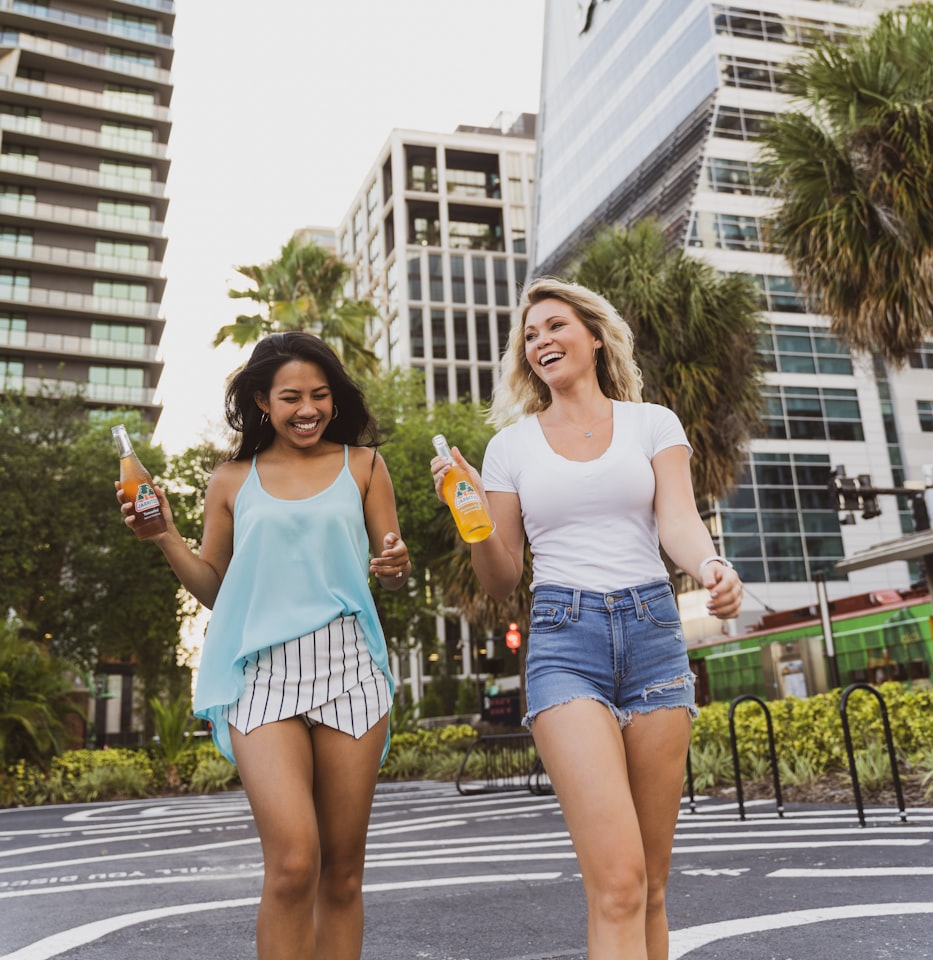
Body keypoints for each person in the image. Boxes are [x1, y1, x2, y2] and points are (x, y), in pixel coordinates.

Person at [430, 277, 742, 960]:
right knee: (619, 883)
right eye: (530, 336)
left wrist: (713, 566)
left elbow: (678, 522)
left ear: (594, 335)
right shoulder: (510, 447)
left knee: (652, 886)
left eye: (553, 326)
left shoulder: (651, 423)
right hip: (565, 641)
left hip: (655, 635)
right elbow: (503, 575)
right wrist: (473, 519)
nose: (540, 341)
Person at [117, 331, 409, 960]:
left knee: (344, 872)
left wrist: (396, 565)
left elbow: (391, 559)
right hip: (262, 678)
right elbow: (217, 589)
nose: (308, 409)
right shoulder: (230, 480)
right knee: (293, 864)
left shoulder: (365, 466)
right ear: (260, 402)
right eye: (291, 397)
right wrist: (167, 536)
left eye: (321, 396)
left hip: (350, 667)